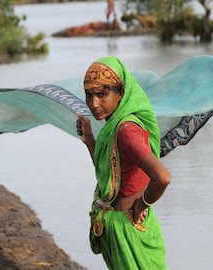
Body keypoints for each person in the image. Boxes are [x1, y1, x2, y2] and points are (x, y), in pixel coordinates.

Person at [76, 56, 171, 269]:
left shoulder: (126, 131)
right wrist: (90, 141)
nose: (94, 104)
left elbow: (162, 178)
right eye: (89, 95)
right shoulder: (115, 126)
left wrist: (140, 206)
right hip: (121, 226)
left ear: (121, 93)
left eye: (102, 94)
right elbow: (111, 175)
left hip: (128, 227)